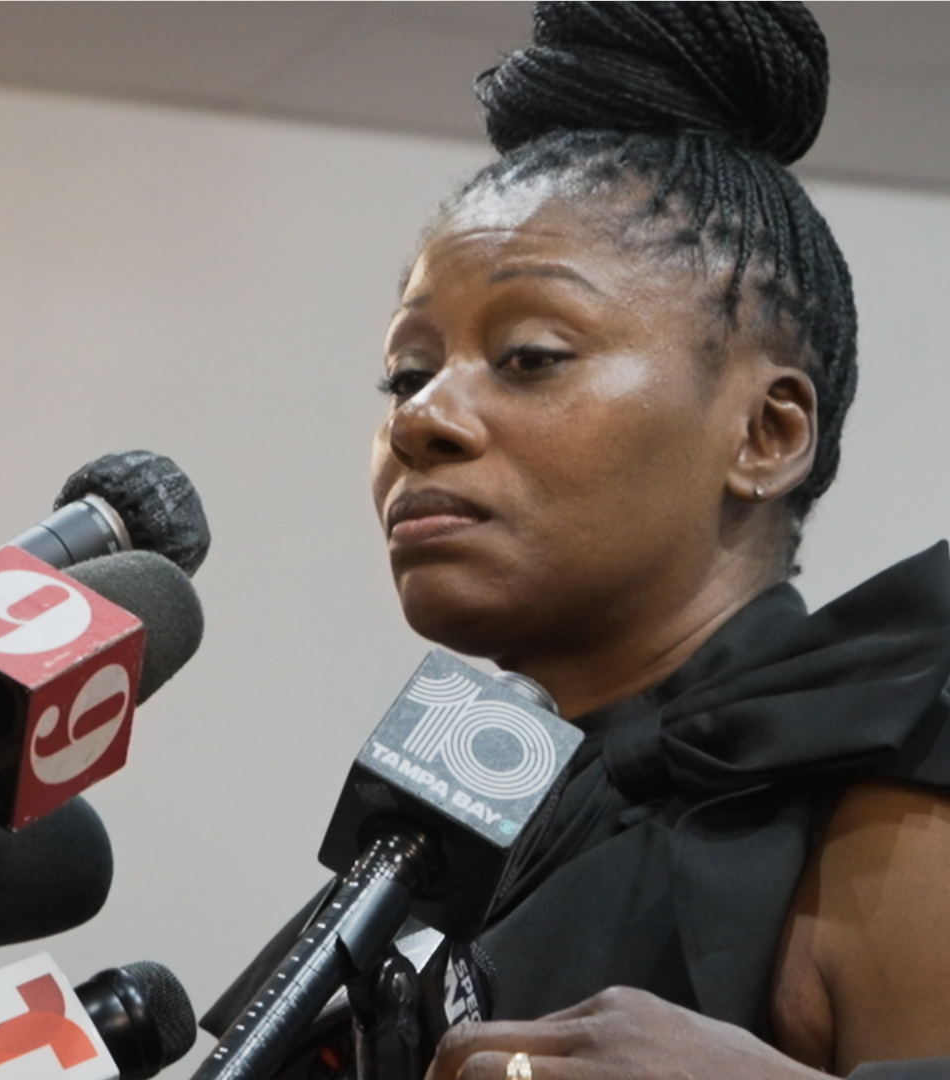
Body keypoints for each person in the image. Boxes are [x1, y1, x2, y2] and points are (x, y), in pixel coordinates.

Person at [213, 4, 950, 1079]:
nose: (421, 419)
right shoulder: (434, 865)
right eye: (407, 373)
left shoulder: (892, 807)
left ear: (766, 433)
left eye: (530, 356)